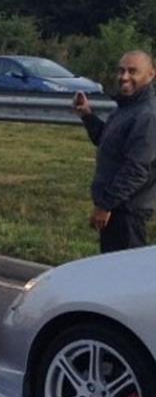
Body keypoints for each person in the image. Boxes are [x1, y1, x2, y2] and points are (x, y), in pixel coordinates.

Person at [72, 50, 156, 253]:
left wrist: (105, 206)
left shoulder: (147, 115)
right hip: (116, 210)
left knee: (126, 278)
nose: (124, 77)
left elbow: (136, 169)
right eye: (121, 71)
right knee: (112, 273)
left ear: (151, 75)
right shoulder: (126, 108)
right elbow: (107, 142)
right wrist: (87, 115)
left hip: (128, 212)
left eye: (132, 71)